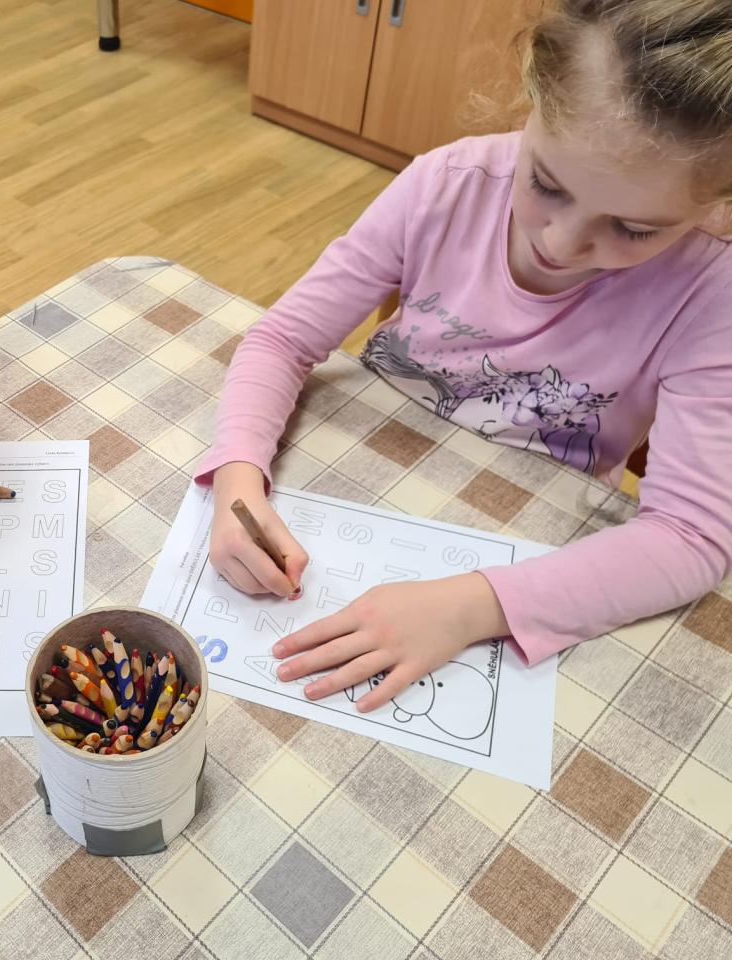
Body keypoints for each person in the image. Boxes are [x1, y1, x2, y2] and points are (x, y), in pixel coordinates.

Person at [200, 0, 732, 711]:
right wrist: (238, 478)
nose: (561, 244)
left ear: (715, 206)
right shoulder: (446, 182)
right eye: (547, 184)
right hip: (364, 478)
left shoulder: (712, 289)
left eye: (633, 229)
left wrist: (470, 608)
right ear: (532, 97)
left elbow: (692, 536)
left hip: (534, 535)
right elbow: (283, 339)